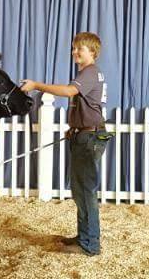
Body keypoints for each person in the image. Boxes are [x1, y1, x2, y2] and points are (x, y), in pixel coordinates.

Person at [20, 32, 107, 256]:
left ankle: (90, 245)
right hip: (86, 134)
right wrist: (74, 127)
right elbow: (85, 105)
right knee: (80, 190)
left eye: (80, 48)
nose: (75, 51)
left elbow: (69, 92)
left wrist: (37, 85)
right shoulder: (89, 74)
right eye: (74, 48)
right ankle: (84, 237)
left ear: (93, 52)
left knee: (85, 191)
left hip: (90, 138)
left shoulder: (89, 73)